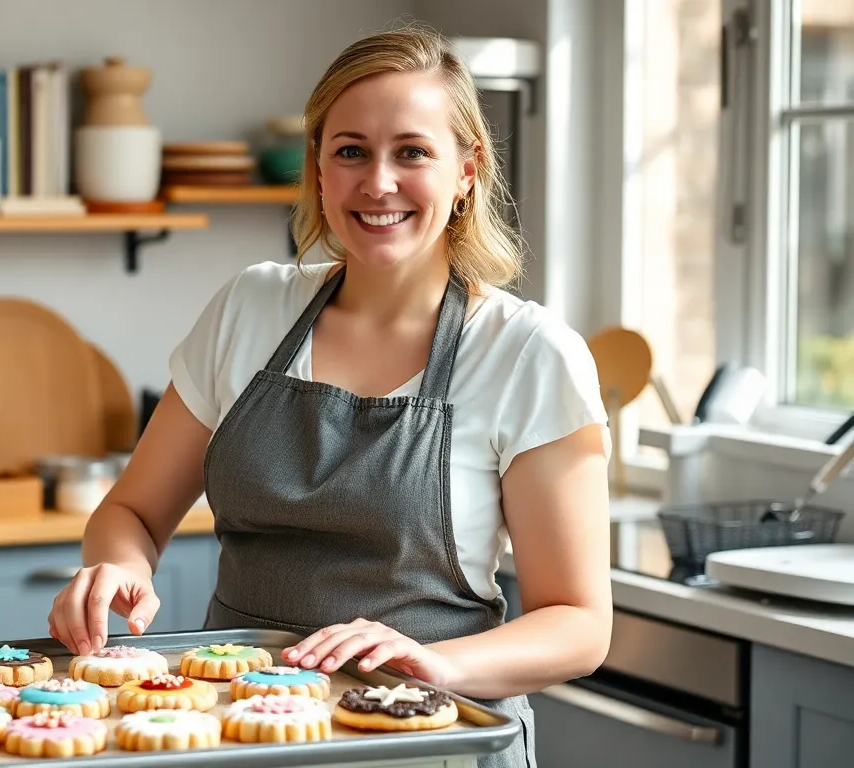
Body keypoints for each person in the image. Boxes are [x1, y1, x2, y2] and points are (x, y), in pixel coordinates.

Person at [47, 23, 612, 768]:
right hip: (246, 735)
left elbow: (578, 623)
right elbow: (133, 513)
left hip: (429, 742)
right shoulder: (250, 308)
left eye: (411, 151)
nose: (378, 182)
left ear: (467, 170)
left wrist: (437, 663)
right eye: (351, 151)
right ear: (318, 169)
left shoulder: (527, 353)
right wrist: (119, 567)